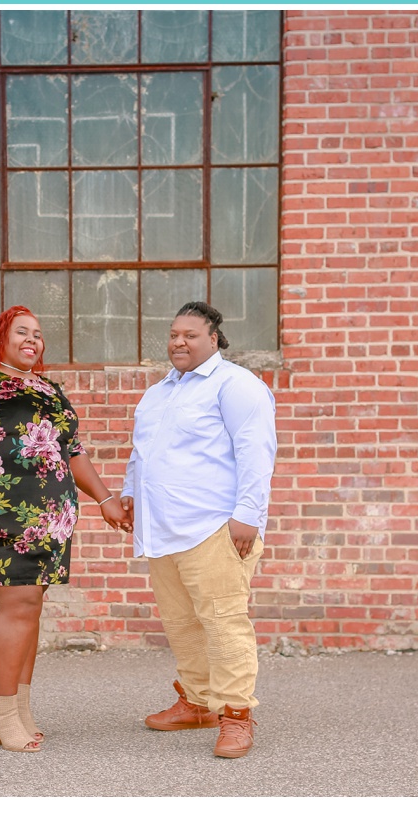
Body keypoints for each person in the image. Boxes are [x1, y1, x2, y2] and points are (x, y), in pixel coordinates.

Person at [0, 306, 129, 752]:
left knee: (30, 608)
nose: (33, 339)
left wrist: (106, 499)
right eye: (22, 332)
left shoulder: (50, 390)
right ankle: (1, 710)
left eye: (38, 334)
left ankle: (20, 708)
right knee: (16, 608)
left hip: (50, 520)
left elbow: (73, 451)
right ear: (1, 337)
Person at [120, 301, 277, 759]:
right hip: (163, 528)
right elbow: (141, 453)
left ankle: (235, 715)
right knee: (182, 624)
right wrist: (131, 493)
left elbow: (255, 451)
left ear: (214, 339)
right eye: (173, 334)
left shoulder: (237, 386)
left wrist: (249, 514)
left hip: (214, 527)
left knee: (224, 624)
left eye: (190, 334)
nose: (178, 342)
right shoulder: (158, 393)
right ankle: (198, 702)